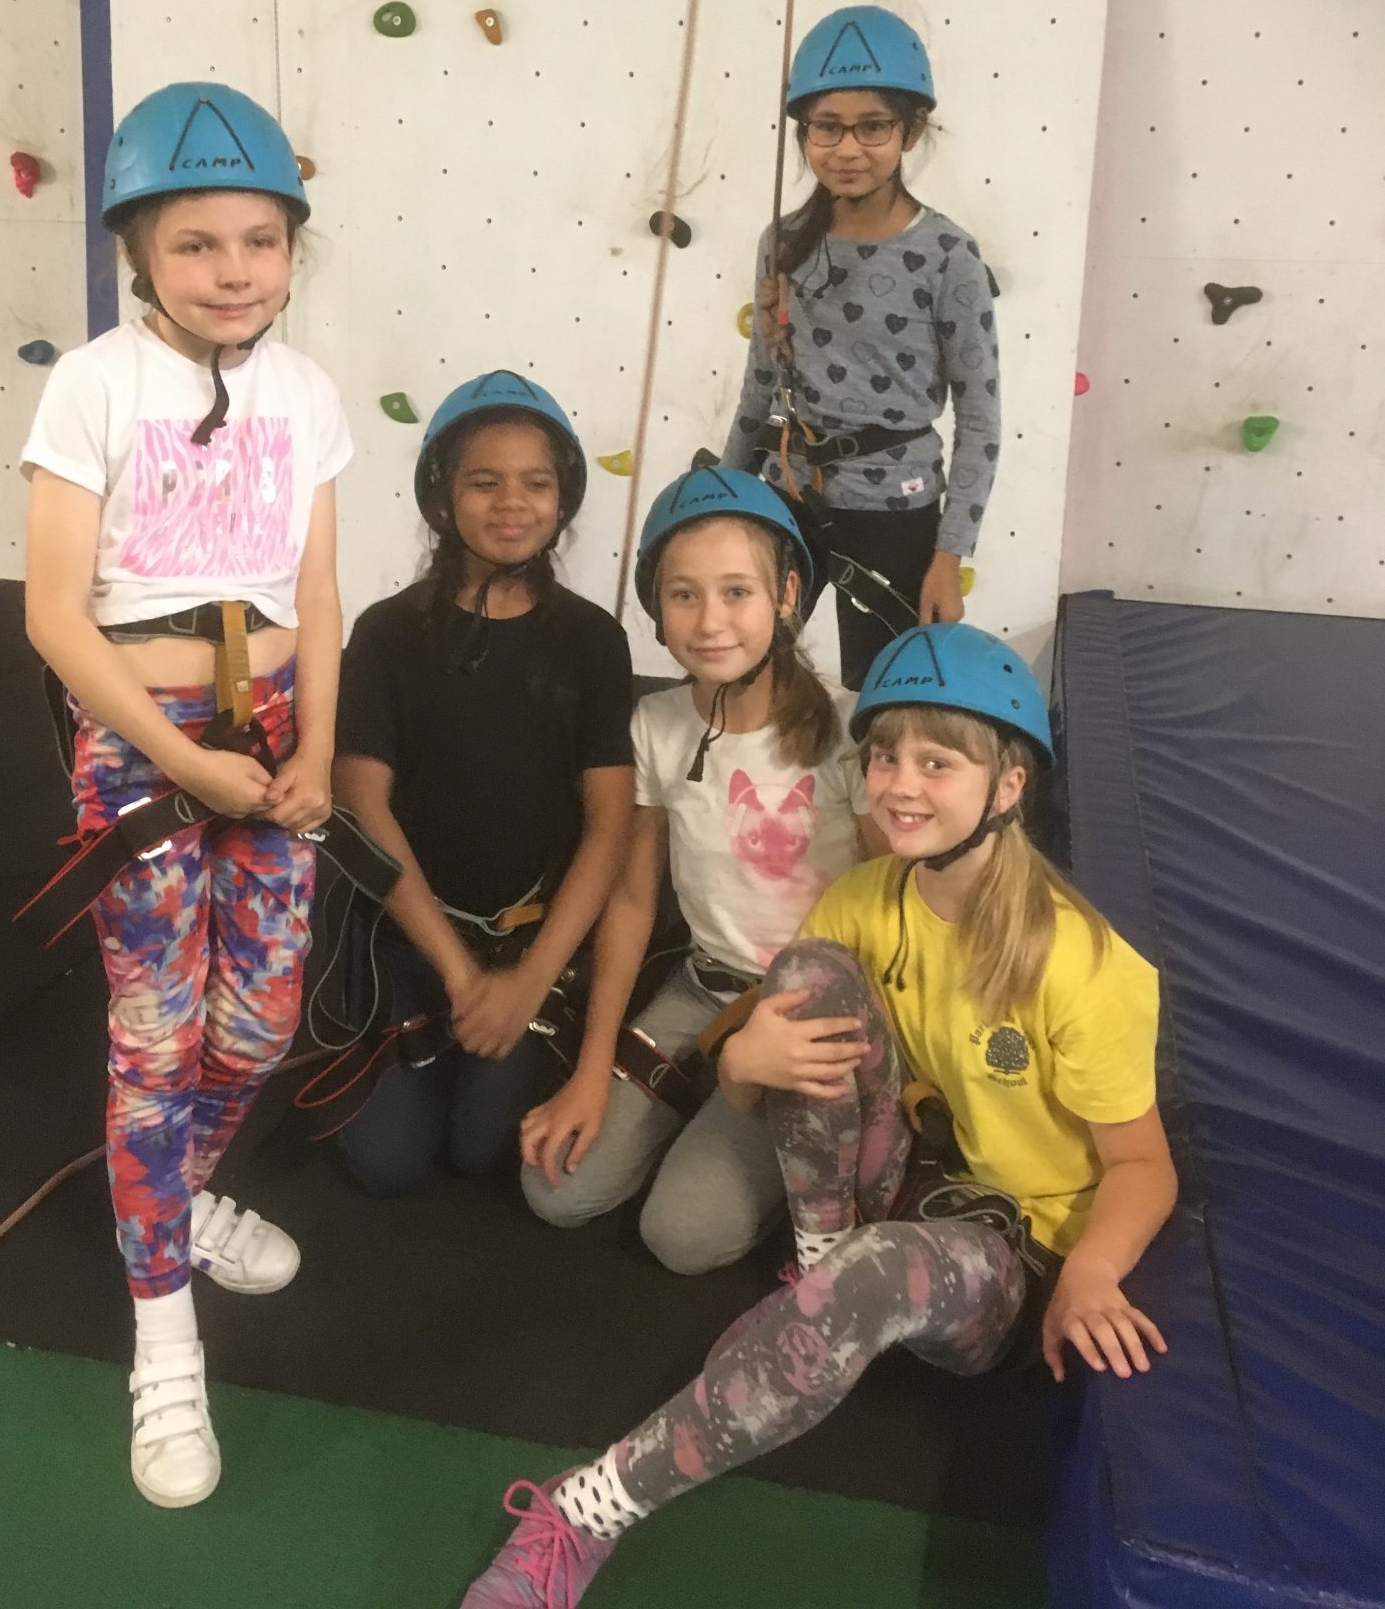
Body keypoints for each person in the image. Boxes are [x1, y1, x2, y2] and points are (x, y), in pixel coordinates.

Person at [457, 622, 1175, 1607]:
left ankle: (587, 1509)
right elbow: (761, 1068)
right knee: (807, 973)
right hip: (906, 1173)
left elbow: (1143, 1164)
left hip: (1011, 1247)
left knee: (877, 1270)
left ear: (1009, 785)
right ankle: (822, 1252)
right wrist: (740, 1062)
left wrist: (1091, 1270)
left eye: (937, 761)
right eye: (883, 756)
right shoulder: (869, 897)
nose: (899, 784)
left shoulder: (1082, 965)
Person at [22, 82, 351, 1508]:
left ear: (292, 249)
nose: (234, 271)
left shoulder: (307, 393)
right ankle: (164, 1327)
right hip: (142, 738)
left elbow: (320, 594)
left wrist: (318, 750)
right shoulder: (94, 384)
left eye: (260, 241)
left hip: (274, 727)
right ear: (140, 253)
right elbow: (53, 613)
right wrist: (182, 761)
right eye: (198, 243)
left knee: (260, 1016)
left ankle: (173, 1190)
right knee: (154, 1039)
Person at [521, 467, 873, 1272]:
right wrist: (590, 1071)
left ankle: (769, 1126)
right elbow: (632, 900)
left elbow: (895, 906)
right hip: (702, 990)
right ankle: (716, 1095)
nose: (710, 622)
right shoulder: (655, 724)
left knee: (681, 1236)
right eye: (684, 595)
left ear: (787, 594)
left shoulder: (848, 729)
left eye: (736, 592)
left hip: (808, 1009)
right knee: (555, 1190)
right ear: (658, 608)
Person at [329, 371, 633, 1197]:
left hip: (530, 945)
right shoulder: (387, 634)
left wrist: (527, 982)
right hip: (412, 939)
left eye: (536, 483)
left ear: (563, 497)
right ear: (443, 493)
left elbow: (609, 826)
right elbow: (362, 802)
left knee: (480, 1151)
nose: (512, 504)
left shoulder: (594, 642)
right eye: (484, 482)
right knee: (385, 1163)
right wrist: (461, 978)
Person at [720, 4, 1002, 690]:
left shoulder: (947, 255)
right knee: (749, 669)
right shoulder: (784, 243)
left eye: (872, 126)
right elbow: (760, 386)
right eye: (827, 126)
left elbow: (981, 417)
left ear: (910, 130)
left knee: (883, 690)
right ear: (804, 133)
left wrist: (949, 556)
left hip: (895, 512)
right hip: (789, 493)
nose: (847, 149)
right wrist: (726, 495)